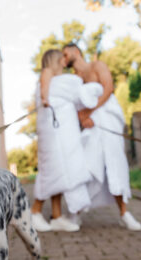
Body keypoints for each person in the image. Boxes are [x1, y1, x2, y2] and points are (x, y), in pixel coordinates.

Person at [62, 43, 141, 231]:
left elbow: (108, 88)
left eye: (65, 54)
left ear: (76, 51)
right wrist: (82, 118)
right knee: (86, 165)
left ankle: (125, 214)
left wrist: (88, 112)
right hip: (90, 126)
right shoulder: (74, 79)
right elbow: (74, 107)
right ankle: (77, 213)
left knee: (115, 164)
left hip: (107, 119)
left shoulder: (97, 66)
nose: (64, 58)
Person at [31, 49, 102, 232]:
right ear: (54, 60)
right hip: (54, 130)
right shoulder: (48, 74)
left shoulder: (60, 80)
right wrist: (46, 99)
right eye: (62, 57)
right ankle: (35, 212)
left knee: (60, 173)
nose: (65, 60)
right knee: (53, 170)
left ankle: (56, 216)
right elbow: (45, 89)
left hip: (59, 129)